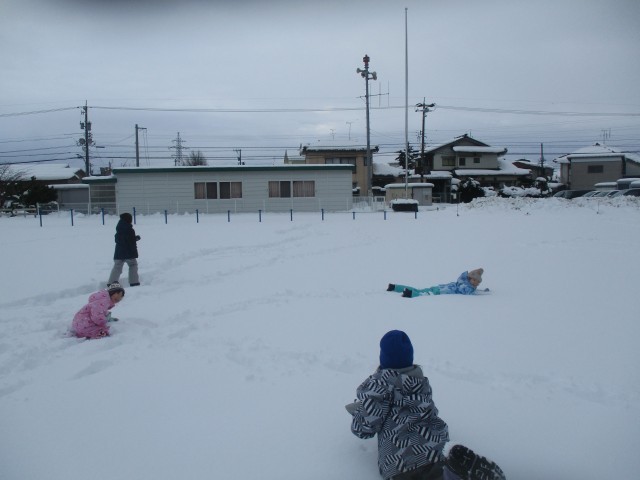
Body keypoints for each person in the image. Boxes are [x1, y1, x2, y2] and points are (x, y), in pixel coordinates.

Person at [346, 330, 505, 480]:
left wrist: (359, 411)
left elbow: (365, 427)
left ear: (383, 358)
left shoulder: (380, 385)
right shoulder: (420, 383)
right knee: (438, 473)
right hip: (435, 447)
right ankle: (453, 474)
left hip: (400, 459)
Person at [387, 268, 485, 298]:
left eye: (477, 282)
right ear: (469, 278)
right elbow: (466, 292)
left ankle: (395, 287)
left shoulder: (461, 281)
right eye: (474, 280)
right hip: (440, 291)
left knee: (420, 290)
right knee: (423, 294)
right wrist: (474, 289)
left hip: (439, 288)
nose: (475, 283)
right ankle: (409, 294)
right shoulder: (466, 287)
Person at [108, 212, 141, 287]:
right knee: (133, 265)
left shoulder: (119, 228)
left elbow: (119, 240)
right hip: (129, 252)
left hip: (119, 252)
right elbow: (130, 241)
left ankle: (111, 283)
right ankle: (134, 282)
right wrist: (136, 238)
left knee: (117, 267)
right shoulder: (129, 229)